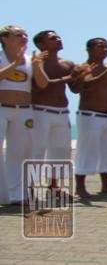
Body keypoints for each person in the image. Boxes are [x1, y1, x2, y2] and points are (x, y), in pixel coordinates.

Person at [31, 30, 91, 189]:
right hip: (40, 111)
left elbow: (75, 89)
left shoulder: (67, 64)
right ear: (41, 44)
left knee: (61, 151)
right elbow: (38, 87)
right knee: (36, 151)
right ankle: (29, 188)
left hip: (62, 112)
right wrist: (67, 78)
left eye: (58, 37)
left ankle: (54, 187)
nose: (58, 39)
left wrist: (80, 77)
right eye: (53, 38)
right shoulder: (35, 63)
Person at [71, 38, 107, 198]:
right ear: (89, 49)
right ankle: (80, 187)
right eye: (100, 46)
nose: (105, 49)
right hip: (90, 115)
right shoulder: (82, 68)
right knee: (86, 151)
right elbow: (80, 87)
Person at [0, 25, 48, 204]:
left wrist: (37, 66)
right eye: (18, 34)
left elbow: (42, 84)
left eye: (25, 35)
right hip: (1, 109)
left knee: (19, 153)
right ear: (5, 38)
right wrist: (14, 64)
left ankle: (16, 195)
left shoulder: (30, 60)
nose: (24, 37)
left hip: (24, 111)